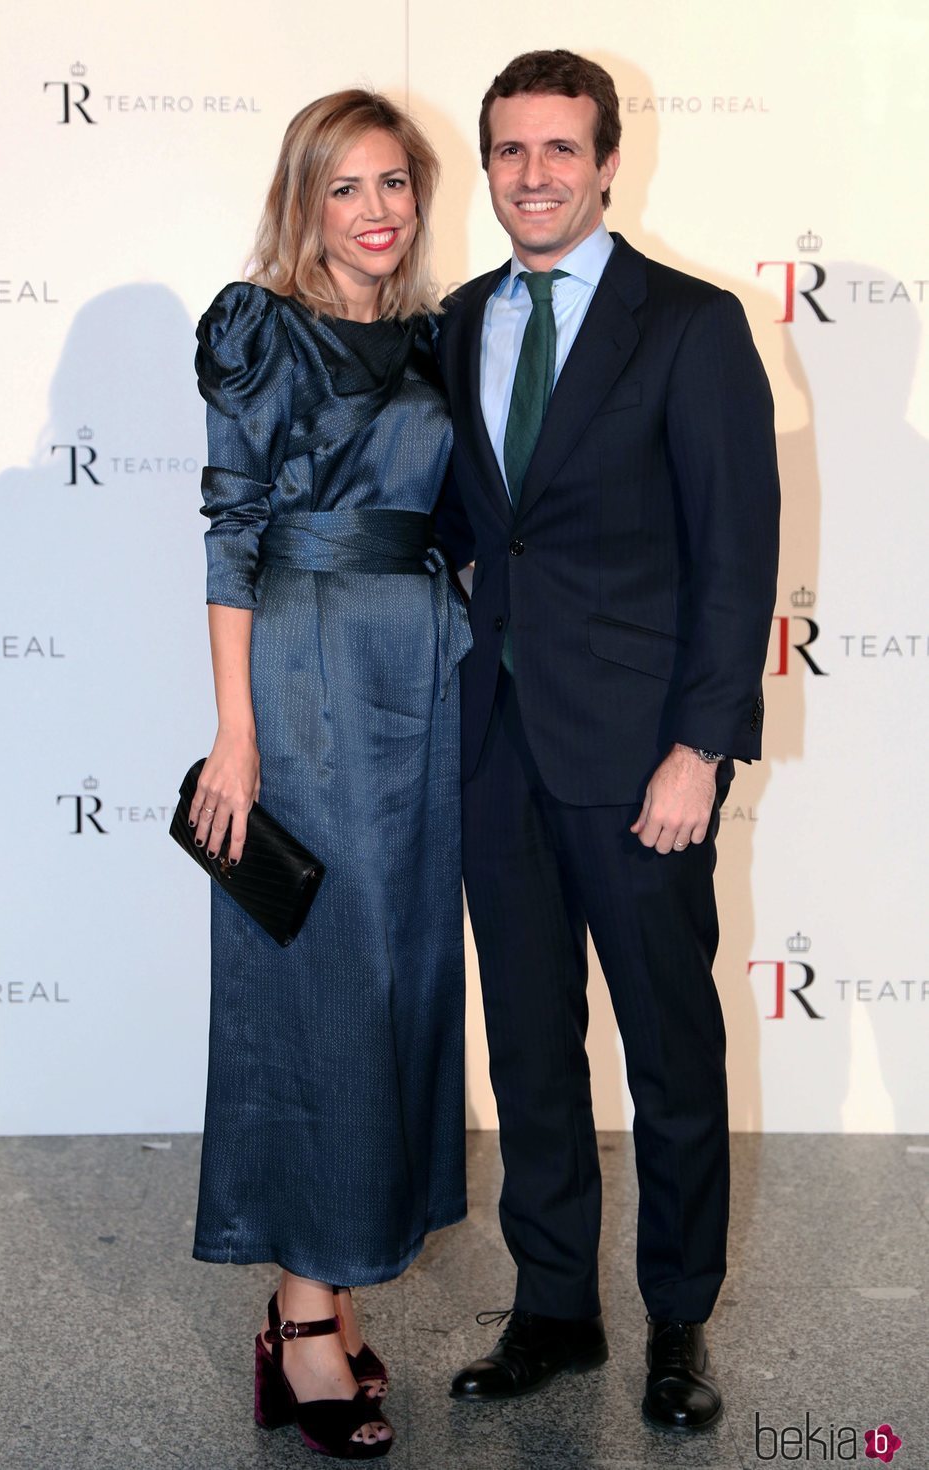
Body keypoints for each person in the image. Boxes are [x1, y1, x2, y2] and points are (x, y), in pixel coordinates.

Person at [435, 50, 780, 1432]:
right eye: (511, 151)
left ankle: (680, 1317)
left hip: (643, 759)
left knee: (671, 1049)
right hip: (497, 747)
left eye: (559, 151)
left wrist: (700, 747)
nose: (534, 175)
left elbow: (735, 555)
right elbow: (474, 522)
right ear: (491, 163)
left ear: (607, 161)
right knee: (526, 1043)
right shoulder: (462, 319)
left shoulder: (691, 325)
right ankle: (557, 1305)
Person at [189, 89, 471, 1461]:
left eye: (395, 184)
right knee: (317, 978)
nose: (378, 211)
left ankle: (333, 1287)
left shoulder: (429, 335)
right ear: (304, 201)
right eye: (347, 188)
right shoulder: (260, 330)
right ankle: (305, 1316)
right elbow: (231, 533)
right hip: (300, 679)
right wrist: (235, 728)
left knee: (398, 977)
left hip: (420, 679)